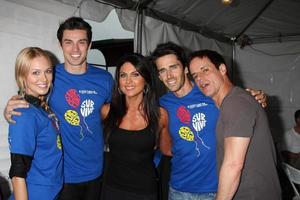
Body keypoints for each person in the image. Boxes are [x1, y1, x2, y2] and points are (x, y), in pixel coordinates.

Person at [4, 17, 113, 200]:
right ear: (60, 44)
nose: (75, 49)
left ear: (90, 44)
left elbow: (107, 113)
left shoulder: (105, 79)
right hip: (61, 176)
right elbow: (26, 103)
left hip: (95, 170)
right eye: (68, 42)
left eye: (81, 42)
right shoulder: (50, 76)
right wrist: (8, 111)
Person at [150, 42, 267, 200]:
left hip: (217, 190)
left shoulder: (210, 91)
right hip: (179, 189)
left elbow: (237, 100)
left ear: (185, 68)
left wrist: (255, 96)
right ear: (158, 76)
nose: (169, 76)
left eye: (173, 67)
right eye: (162, 71)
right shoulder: (162, 105)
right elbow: (166, 149)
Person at [189, 49, 281, 200]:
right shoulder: (232, 101)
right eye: (195, 75)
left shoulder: (236, 103)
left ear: (222, 69)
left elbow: (233, 165)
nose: (200, 78)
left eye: (205, 70)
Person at [100, 53, 171, 200]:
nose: (128, 81)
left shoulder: (160, 115)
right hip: (112, 187)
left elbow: (167, 150)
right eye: (123, 75)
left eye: (135, 74)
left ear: (146, 80)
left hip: (145, 191)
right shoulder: (106, 111)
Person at [8, 47, 63, 200]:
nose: (44, 79)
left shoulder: (40, 107)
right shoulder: (24, 113)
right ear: (22, 76)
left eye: (48, 71)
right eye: (36, 72)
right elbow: (18, 174)